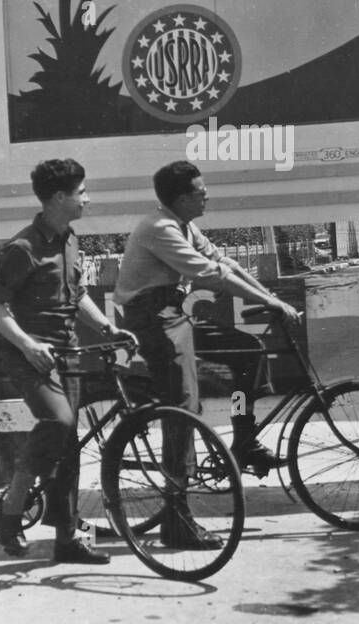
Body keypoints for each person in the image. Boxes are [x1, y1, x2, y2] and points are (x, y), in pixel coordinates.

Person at [114, 162, 301, 550]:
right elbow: (208, 276)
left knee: (247, 353)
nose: (207, 195)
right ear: (182, 198)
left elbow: (225, 263)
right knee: (183, 407)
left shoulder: (183, 224)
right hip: (153, 319)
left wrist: (274, 300)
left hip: (173, 312)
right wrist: (269, 301)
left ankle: (244, 437)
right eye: (201, 191)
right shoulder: (160, 228)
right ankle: (177, 521)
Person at [0, 158, 135, 564]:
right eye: (81, 192)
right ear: (59, 197)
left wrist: (107, 329)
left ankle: (66, 538)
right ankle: (10, 510)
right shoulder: (23, 247)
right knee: (59, 422)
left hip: (65, 353)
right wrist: (29, 345)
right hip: (29, 356)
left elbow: (77, 295)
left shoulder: (69, 239)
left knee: (68, 446)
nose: (88, 199)